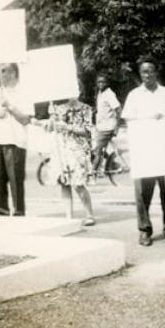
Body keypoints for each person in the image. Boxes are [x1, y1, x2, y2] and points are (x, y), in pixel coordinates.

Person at [122, 57, 165, 246]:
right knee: (142, 193)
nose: (147, 75)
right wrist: (149, 118)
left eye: (150, 71)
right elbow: (129, 120)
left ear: (156, 72)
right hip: (145, 153)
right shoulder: (134, 96)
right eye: (143, 72)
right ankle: (145, 230)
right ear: (140, 75)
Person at [0, 63, 33, 216]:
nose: (0, 74)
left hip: (15, 142)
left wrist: (10, 107)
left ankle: (19, 214)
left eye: (4, 71)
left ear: (14, 73)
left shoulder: (23, 93)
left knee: (16, 181)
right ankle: (2, 214)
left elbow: (25, 119)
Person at [47, 97, 96, 225]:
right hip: (62, 149)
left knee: (78, 184)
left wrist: (68, 127)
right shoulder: (58, 108)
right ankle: (68, 216)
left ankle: (89, 214)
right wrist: (52, 116)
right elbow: (50, 129)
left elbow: (87, 131)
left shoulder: (85, 108)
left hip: (77, 149)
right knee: (64, 183)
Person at [91, 72, 121, 178]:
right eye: (99, 81)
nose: (101, 83)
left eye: (103, 81)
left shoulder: (109, 94)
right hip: (100, 126)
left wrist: (117, 127)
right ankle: (112, 165)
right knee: (97, 148)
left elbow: (118, 109)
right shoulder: (100, 92)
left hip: (107, 127)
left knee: (97, 151)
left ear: (107, 83)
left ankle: (92, 174)